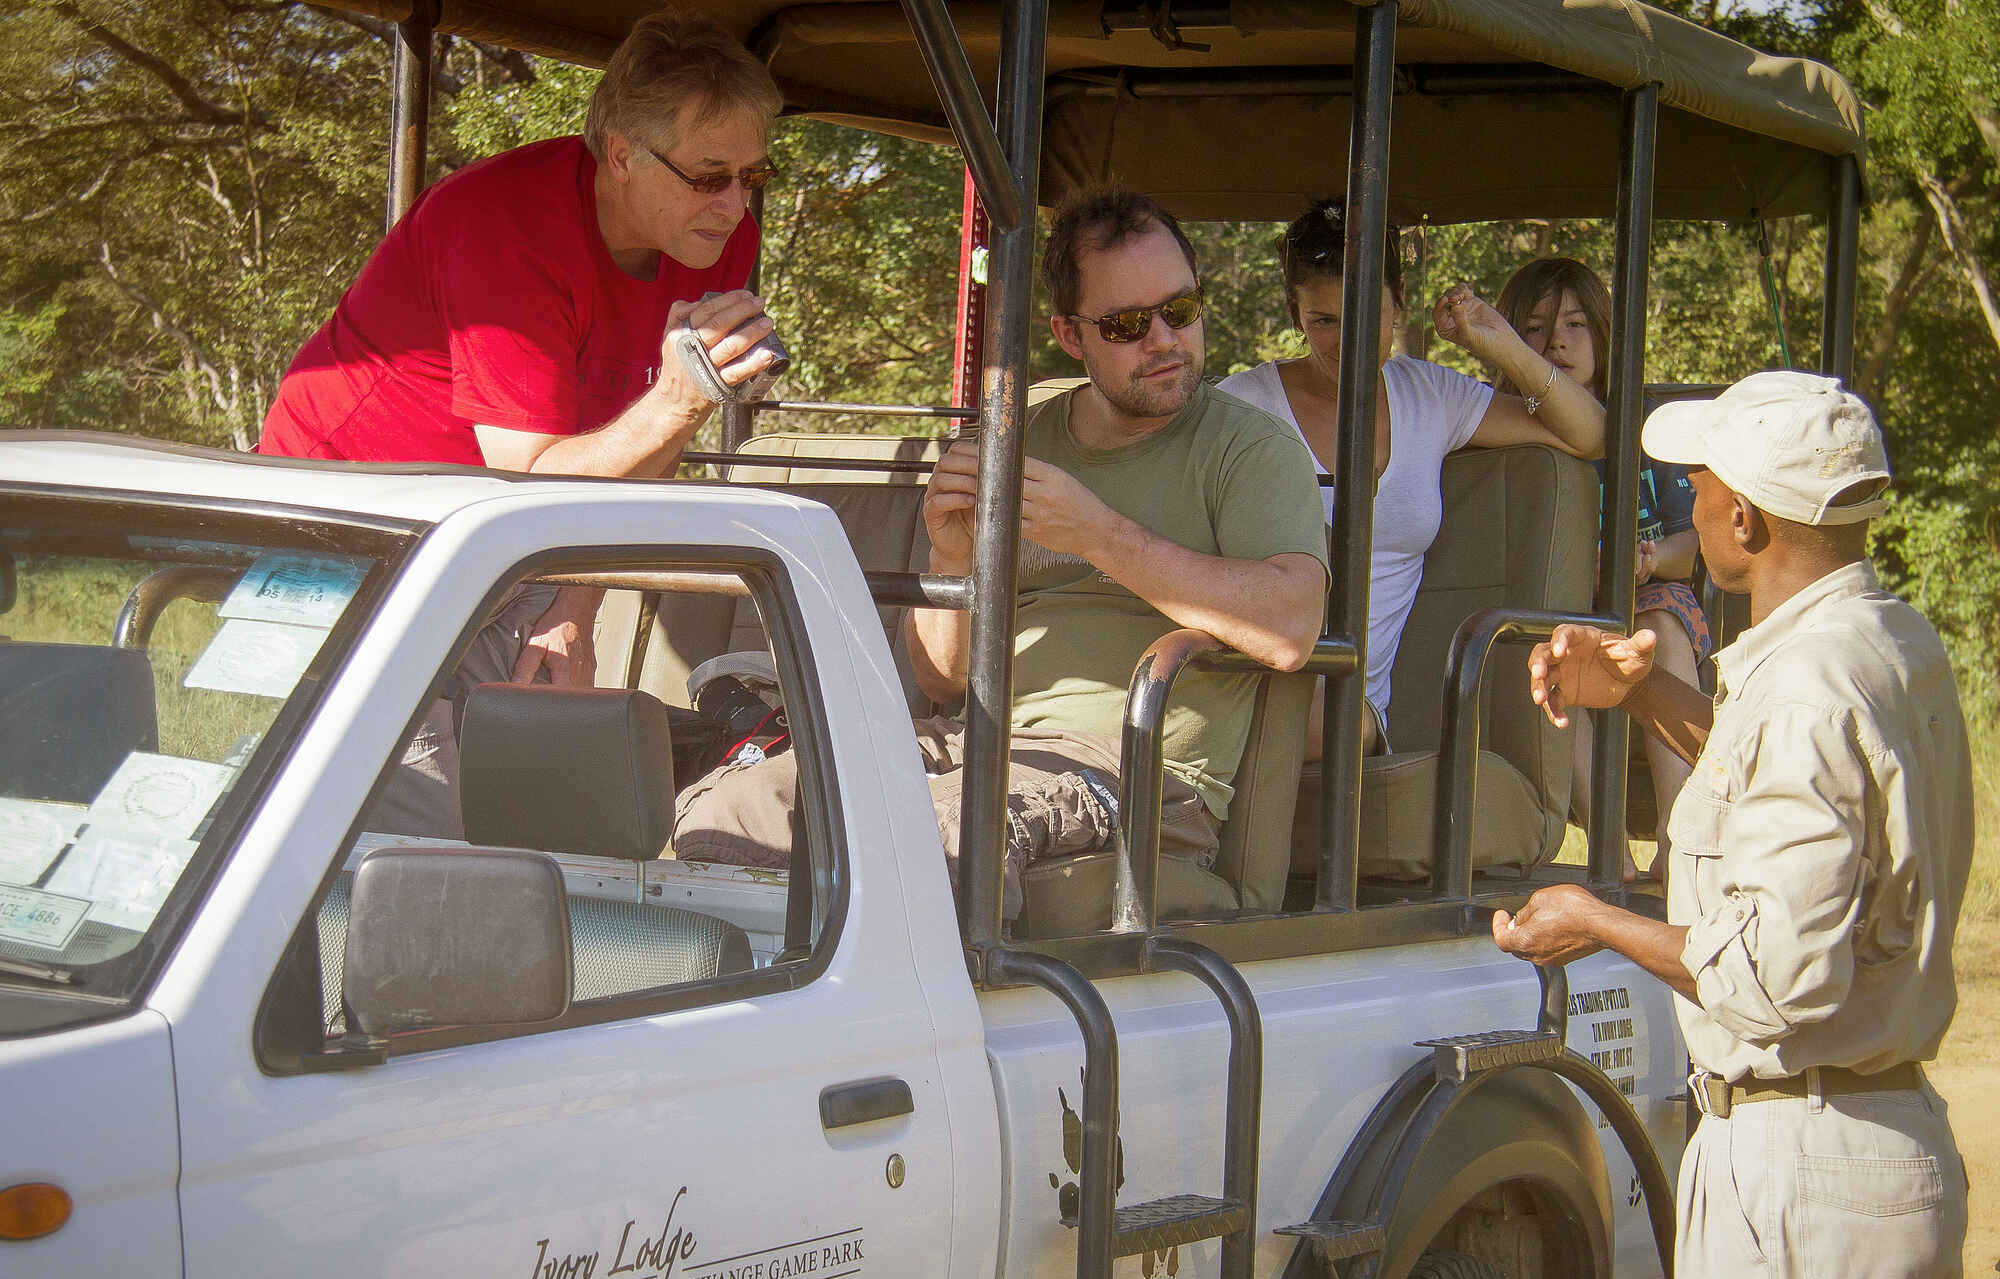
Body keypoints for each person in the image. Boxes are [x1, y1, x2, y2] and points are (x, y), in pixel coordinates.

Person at [673, 188, 1329, 920]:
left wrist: (1097, 533)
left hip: (1138, 770)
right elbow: (943, 678)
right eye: (1127, 324)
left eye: (1181, 309)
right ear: (1070, 336)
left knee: (944, 832)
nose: (1164, 340)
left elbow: (1290, 628)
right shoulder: (1016, 443)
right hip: (981, 741)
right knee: (729, 808)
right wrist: (952, 557)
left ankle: (914, 996)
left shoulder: (1250, 449)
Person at [1493, 371, 1970, 1279]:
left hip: (1798, 1178)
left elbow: (1767, 977)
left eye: (1701, 482)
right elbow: (1791, 782)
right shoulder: (1887, 640)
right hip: (1888, 1145)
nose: (1693, 499)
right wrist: (1639, 692)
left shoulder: (1801, 688)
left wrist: (1595, 919)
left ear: (1745, 520)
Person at [259, 10, 784, 835]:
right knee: (413, 829)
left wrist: (576, 602)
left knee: (531, 813)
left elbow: (653, 444)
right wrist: (682, 399)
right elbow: (532, 478)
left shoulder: (715, 235)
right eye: (709, 175)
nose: (732, 205)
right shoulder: (505, 228)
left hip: (499, 526)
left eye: (754, 175)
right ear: (622, 154)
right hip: (349, 534)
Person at [1217, 200, 1605, 757]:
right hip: (1246, 677)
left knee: (1310, 719)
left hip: (1348, 710)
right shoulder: (1238, 407)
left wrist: (1502, 345)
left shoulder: (1430, 395)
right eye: (1324, 321)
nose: (1348, 341)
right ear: (1294, 313)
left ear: (1399, 298)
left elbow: (1590, 435)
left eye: (1368, 314)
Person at [1490, 257, 1709, 876]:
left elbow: (1694, 544)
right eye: (1535, 328)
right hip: (1555, 611)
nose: (1556, 342)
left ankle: (1677, 833)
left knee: (1660, 625)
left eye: (1576, 324)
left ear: (1605, 335)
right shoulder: (1500, 428)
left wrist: (1647, 559)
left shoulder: (1645, 429)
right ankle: (1609, 847)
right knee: (1553, 657)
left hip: (1645, 601)